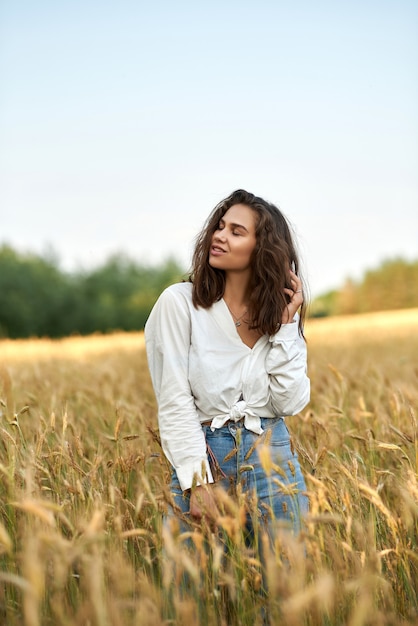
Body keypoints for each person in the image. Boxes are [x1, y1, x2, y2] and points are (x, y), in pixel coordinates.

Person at [145, 189, 310, 539]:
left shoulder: (277, 316)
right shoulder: (179, 304)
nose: (219, 236)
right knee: (191, 589)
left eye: (236, 231)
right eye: (219, 227)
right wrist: (197, 482)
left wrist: (285, 326)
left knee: (286, 588)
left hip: (274, 457)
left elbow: (289, 403)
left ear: (263, 248)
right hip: (207, 458)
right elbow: (173, 398)